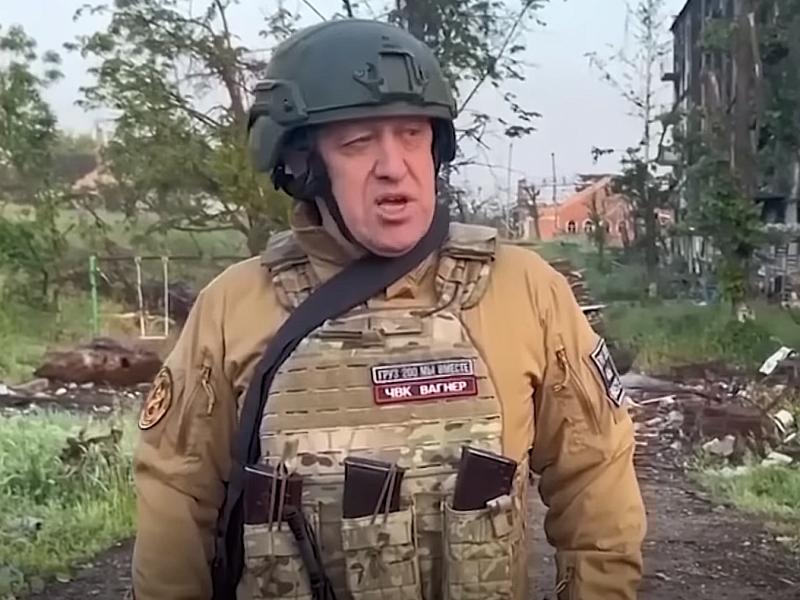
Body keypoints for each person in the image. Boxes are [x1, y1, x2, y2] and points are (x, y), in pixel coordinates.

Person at [131, 18, 646, 600]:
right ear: (302, 165)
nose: (394, 165)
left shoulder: (524, 291)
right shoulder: (234, 307)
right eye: (357, 142)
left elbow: (595, 478)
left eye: (411, 134)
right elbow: (176, 497)